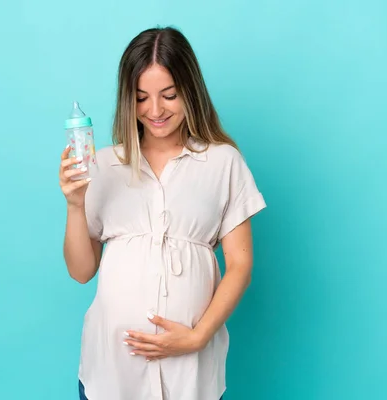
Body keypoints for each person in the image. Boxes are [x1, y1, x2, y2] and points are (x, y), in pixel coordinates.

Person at [59, 26, 266, 400]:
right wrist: (75, 205)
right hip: (111, 372)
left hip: (190, 374)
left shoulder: (222, 163)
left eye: (168, 95)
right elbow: (81, 271)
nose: (155, 111)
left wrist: (197, 336)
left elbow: (240, 265)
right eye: (141, 98)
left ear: (190, 91)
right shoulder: (103, 165)